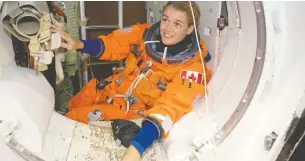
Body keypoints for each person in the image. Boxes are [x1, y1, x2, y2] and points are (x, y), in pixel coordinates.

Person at [51, 1, 212, 160]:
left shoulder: (192, 69)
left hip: (129, 108)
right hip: (109, 89)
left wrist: (137, 148)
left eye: (177, 24)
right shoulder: (145, 34)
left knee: (72, 118)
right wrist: (79, 44)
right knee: (73, 105)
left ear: (190, 29)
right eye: (165, 20)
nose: (167, 29)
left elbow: (169, 108)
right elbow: (113, 44)